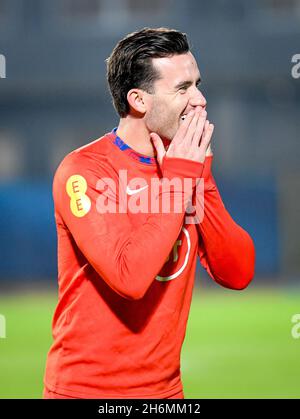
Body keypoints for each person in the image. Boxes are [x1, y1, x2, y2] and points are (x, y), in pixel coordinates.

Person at [43, 27, 255, 399]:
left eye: (197, 84)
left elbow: (237, 273)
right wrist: (179, 181)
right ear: (139, 100)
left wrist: (201, 179)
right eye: (182, 88)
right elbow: (130, 278)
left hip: (166, 394)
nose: (200, 100)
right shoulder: (84, 170)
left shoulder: (187, 168)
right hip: (84, 392)